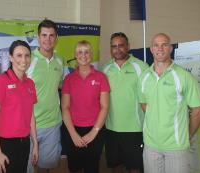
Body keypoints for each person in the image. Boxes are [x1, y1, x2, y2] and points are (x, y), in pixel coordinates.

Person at [138, 33, 200, 173]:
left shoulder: (184, 76)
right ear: (151, 49)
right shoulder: (144, 77)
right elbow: (144, 105)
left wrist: (187, 135)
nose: (160, 48)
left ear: (170, 48)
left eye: (164, 44)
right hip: (151, 145)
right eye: (156, 45)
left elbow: (198, 111)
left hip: (176, 147)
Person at [0, 40, 38, 173]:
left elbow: (30, 116)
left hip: (23, 144)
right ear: (10, 57)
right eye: (19, 55)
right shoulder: (0, 81)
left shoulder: (30, 83)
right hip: (2, 145)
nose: (24, 60)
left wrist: (35, 144)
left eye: (27, 55)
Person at [102, 32, 149, 173]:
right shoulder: (105, 69)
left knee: (134, 167)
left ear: (128, 46)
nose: (117, 49)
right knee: (115, 166)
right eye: (114, 46)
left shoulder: (142, 67)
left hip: (134, 129)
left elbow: (149, 97)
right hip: (111, 128)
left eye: (121, 46)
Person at [62, 40, 110, 173]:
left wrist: (93, 133)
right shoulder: (69, 79)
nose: (83, 55)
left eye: (87, 52)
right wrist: (73, 134)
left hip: (95, 130)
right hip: (73, 130)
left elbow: (105, 107)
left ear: (91, 54)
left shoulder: (101, 77)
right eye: (80, 52)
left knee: (92, 168)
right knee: (75, 168)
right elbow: (65, 107)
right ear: (75, 55)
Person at [26, 19, 63, 173]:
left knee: (45, 167)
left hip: (52, 124)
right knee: (28, 167)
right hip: (29, 125)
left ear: (56, 38)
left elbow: (59, 86)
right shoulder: (28, 60)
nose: (48, 39)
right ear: (38, 36)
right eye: (44, 35)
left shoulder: (59, 61)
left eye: (51, 35)